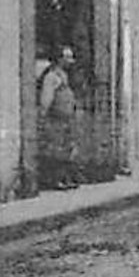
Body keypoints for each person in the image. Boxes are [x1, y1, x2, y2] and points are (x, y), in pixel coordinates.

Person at [37, 46, 80, 190]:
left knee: (67, 149)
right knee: (55, 150)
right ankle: (55, 180)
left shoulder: (63, 76)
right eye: (67, 58)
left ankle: (65, 178)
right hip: (55, 119)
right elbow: (46, 98)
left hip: (65, 119)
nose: (70, 62)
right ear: (59, 59)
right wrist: (43, 115)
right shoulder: (51, 77)